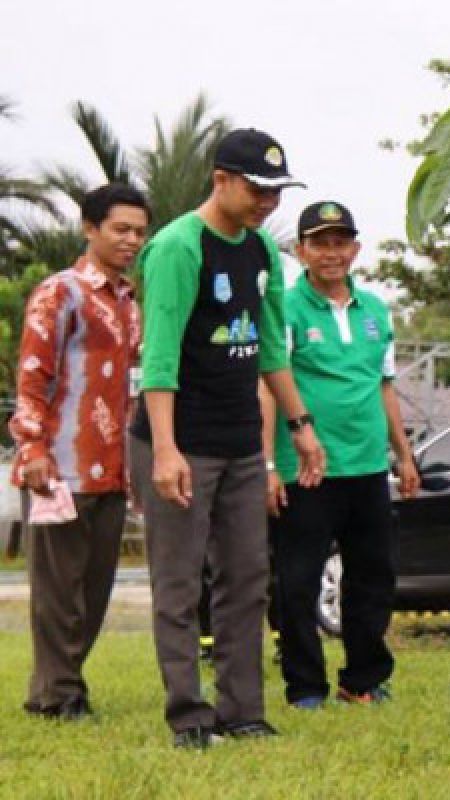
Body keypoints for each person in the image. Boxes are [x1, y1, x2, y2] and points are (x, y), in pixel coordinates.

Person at [129, 128, 326, 749]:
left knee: (246, 578)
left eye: (276, 190)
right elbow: (158, 357)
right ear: (220, 181)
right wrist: (164, 449)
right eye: (256, 188)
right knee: (181, 582)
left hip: (242, 441)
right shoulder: (179, 248)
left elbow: (269, 347)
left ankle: (242, 711)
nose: (268, 201)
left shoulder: (262, 250)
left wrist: (300, 425)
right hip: (180, 439)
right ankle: (189, 716)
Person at [262, 200, 419, 709]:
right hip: (308, 469)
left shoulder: (374, 309)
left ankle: (364, 678)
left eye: (339, 242)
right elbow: (268, 385)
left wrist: (404, 454)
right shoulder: (284, 306)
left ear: (355, 249)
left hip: (369, 466)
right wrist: (268, 464)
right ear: (299, 250)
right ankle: (305, 686)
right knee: (299, 582)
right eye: (319, 243)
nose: (330, 253)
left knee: (374, 576)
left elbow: (386, 386)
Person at [9, 184, 149, 720]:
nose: (131, 240)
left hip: (113, 470)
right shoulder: (59, 293)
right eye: (120, 229)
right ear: (90, 229)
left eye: (139, 231)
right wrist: (33, 447)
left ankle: (63, 686)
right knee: (57, 593)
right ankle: (57, 695)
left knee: (94, 590)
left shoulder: (131, 303)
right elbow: (32, 376)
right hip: (59, 468)